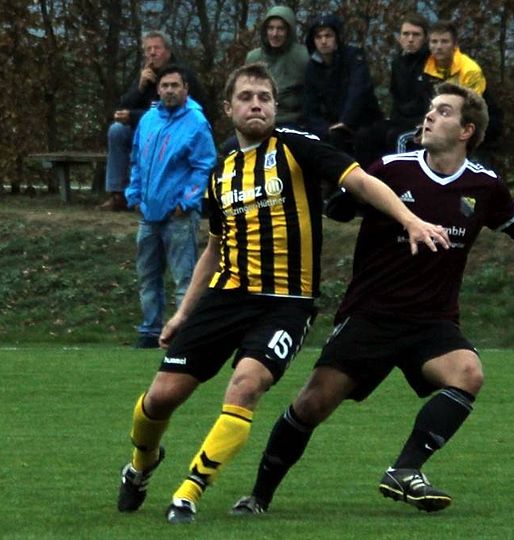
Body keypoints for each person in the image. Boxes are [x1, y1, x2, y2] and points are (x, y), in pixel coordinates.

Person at [231, 82, 514, 516]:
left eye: (443, 111)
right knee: (311, 405)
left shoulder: (484, 186)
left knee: (468, 373)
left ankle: (404, 470)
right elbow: (340, 205)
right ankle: (258, 496)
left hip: (432, 321)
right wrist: (335, 188)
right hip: (371, 315)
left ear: (467, 130)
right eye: (431, 109)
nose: (429, 116)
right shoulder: (391, 169)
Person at [115, 63, 450, 525]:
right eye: (246, 97)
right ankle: (141, 464)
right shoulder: (222, 170)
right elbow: (213, 247)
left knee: (247, 384)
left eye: (265, 98)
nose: (256, 104)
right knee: (160, 398)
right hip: (225, 298)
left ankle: (189, 492)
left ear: (275, 106)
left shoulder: (296, 146)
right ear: (228, 108)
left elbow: (359, 180)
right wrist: (182, 313)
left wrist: (409, 220)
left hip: (286, 304)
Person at [124, 67, 216, 349]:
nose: (169, 91)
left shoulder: (197, 122)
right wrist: (134, 195)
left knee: (184, 277)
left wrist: (187, 202)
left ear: (186, 88)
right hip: (148, 212)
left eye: (175, 85)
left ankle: (183, 332)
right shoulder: (148, 119)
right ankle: (150, 330)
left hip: (179, 215)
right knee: (147, 275)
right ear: (158, 89)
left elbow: (204, 166)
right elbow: (136, 160)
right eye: (164, 85)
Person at [100, 31, 206, 212]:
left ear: (168, 51)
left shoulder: (179, 76)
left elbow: (173, 113)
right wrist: (139, 87)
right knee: (117, 130)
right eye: (148, 49)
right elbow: (123, 106)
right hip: (143, 131)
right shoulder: (145, 75)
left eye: (157, 48)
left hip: (173, 132)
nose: (152, 53)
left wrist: (133, 116)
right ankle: (118, 194)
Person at [301, 13, 382, 155]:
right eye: (318, 37)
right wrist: (324, 128)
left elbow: (358, 91)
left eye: (328, 36)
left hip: (363, 121)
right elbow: (310, 106)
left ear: (337, 37)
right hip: (332, 124)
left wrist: (345, 121)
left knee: (362, 138)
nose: (323, 41)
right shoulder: (312, 67)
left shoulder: (353, 57)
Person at [360, 14, 432, 165]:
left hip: (421, 120)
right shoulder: (397, 62)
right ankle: (367, 177)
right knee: (366, 134)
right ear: (399, 38)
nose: (410, 39)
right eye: (406, 34)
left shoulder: (431, 63)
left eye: (416, 35)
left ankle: (400, 177)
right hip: (400, 118)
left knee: (396, 137)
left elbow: (427, 100)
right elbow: (396, 95)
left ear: (425, 38)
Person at [245, 6, 308, 127]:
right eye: (271, 28)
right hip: (260, 119)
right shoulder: (253, 58)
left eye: (280, 29)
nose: (275, 34)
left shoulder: (302, 57)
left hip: (293, 121)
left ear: (289, 31)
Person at [423, 20, 485, 95]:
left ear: (455, 44)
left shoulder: (470, 71)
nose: (439, 47)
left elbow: (473, 101)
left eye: (444, 41)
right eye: (434, 42)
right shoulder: (422, 65)